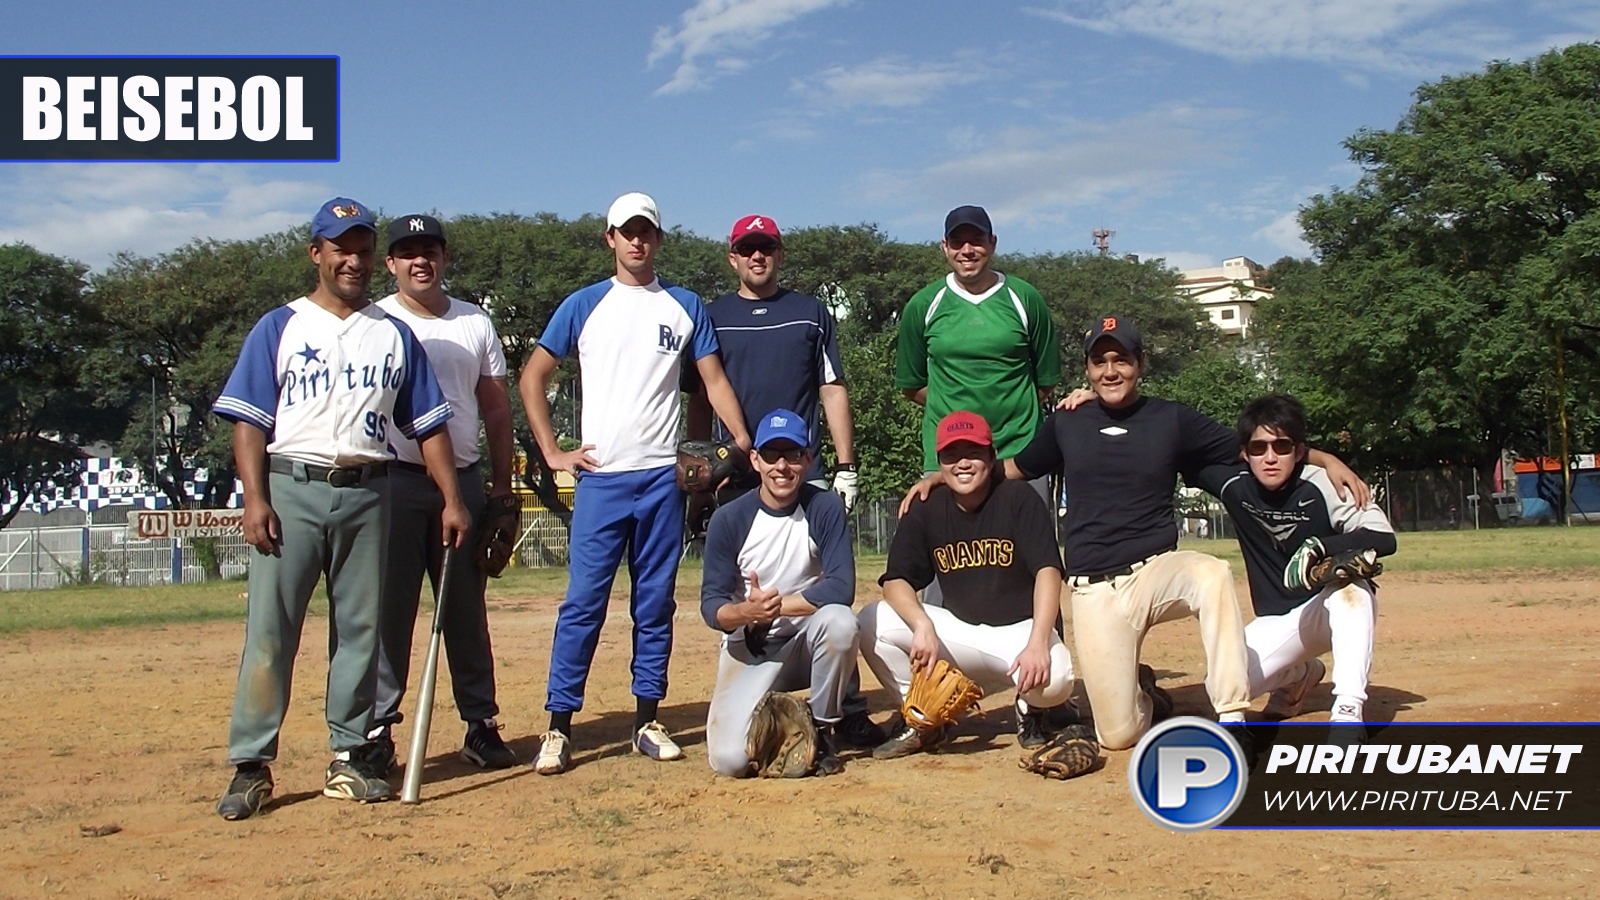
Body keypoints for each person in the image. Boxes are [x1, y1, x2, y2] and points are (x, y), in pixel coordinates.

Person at [908, 316, 1369, 759]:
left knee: (1209, 573)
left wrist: (1324, 459)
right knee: (1118, 733)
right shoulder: (1068, 421)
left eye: (1122, 360)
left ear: (1140, 364)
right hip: (1092, 589)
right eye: (1100, 361)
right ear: (1087, 368)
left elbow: (1256, 446)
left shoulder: (1171, 419)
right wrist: (941, 479)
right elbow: (1012, 469)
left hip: (1155, 572)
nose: (1111, 371)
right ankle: (1144, 694)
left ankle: (1233, 717)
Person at [212, 198, 469, 820]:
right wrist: (254, 497)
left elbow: (430, 424)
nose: (351, 260)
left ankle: (351, 757)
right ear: (317, 253)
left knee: (363, 633)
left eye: (360, 248)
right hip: (292, 484)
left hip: (370, 489)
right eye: (339, 248)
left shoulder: (393, 332)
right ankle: (252, 764)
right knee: (272, 632)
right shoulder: (280, 325)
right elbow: (248, 421)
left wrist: (452, 499)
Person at [518, 192, 750, 775]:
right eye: (627, 232)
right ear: (610, 239)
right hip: (601, 478)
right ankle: (559, 726)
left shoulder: (684, 304)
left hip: (661, 478)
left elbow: (713, 380)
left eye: (646, 232)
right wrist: (552, 451)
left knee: (654, 605)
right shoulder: (583, 305)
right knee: (583, 605)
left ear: (658, 239)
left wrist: (742, 439)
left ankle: (646, 718)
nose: (637, 242)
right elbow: (533, 376)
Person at [685, 213, 882, 749]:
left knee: (825, 591)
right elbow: (702, 395)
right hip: (737, 473)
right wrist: (701, 469)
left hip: (800, 467)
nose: (757, 256)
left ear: (780, 253)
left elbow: (832, 387)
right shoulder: (713, 316)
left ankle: (845, 708)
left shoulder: (809, 313)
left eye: (766, 247)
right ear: (732, 257)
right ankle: (750, 675)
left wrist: (846, 464)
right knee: (741, 587)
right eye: (747, 248)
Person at [368, 214, 518, 772]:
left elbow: (497, 408)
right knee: (391, 610)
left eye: (429, 250)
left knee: (464, 609)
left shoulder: (473, 321)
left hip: (465, 476)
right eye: (407, 252)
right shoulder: (375, 320)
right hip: (395, 478)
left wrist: (503, 489)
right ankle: (378, 729)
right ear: (391, 264)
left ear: (444, 258)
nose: (419, 260)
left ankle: (480, 723)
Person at [864, 411, 1076, 759]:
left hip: (1017, 637)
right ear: (940, 462)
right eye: (951, 454)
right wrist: (922, 624)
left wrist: (1038, 642)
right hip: (958, 635)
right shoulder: (926, 506)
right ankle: (926, 719)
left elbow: (1048, 572)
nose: (962, 463)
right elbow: (896, 581)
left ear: (992, 457)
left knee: (1058, 679)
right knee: (871, 621)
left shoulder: (1018, 498)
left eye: (973, 452)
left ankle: (1031, 709)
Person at [1189, 395, 1396, 745]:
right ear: (1244, 452)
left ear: (1299, 451)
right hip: (1278, 621)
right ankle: (1299, 674)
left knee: (1353, 591)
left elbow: (1383, 537)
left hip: (1326, 611)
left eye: (1282, 446)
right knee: (1221, 687)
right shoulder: (1232, 483)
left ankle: (1347, 715)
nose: (1270, 457)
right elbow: (1179, 454)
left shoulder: (1325, 481)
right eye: (1259, 447)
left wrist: (1321, 547)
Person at [700, 409, 857, 776]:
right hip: (751, 647)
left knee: (841, 622)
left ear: (808, 459)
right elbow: (712, 607)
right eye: (771, 455)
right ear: (755, 460)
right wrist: (747, 614)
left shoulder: (824, 507)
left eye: (792, 455)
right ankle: (775, 707)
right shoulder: (730, 518)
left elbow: (842, 586)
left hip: (805, 643)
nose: (781, 467)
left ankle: (823, 729)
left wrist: (777, 606)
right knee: (730, 761)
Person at [895, 205, 1059, 481]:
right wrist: (956, 409)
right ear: (945, 247)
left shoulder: (1026, 298)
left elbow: (1046, 380)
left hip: (1019, 452)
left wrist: (1010, 407)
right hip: (949, 457)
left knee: (1027, 525)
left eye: (977, 240)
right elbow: (911, 385)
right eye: (958, 242)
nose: (967, 250)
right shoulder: (923, 305)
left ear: (992, 243)